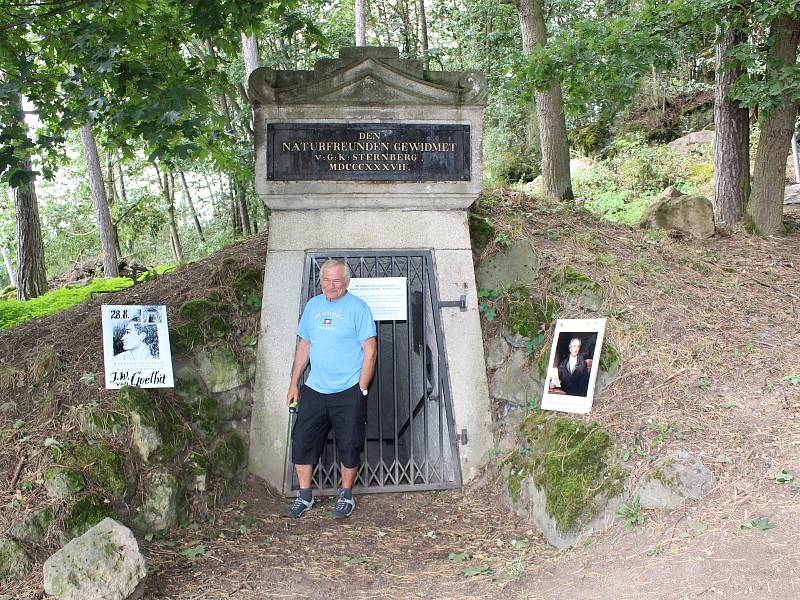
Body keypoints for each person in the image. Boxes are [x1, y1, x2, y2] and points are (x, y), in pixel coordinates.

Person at [283, 259, 377, 519]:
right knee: (302, 441)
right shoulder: (313, 306)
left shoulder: (358, 308)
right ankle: (304, 496)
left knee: (349, 444)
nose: (331, 286)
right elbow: (304, 347)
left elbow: (370, 350)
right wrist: (294, 383)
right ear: (320, 281)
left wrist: (362, 388)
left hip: (348, 389)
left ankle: (346, 496)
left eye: (337, 281)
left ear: (346, 282)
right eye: (326, 280)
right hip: (314, 388)